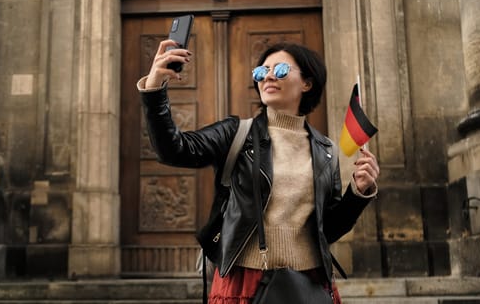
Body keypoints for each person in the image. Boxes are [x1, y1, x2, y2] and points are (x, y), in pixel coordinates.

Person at [137, 40, 380, 304]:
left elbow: (328, 230)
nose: (269, 77)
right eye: (261, 72)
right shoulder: (236, 133)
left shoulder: (326, 150)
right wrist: (154, 89)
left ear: (307, 83)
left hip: (309, 284)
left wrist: (358, 193)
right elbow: (175, 150)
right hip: (246, 282)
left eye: (281, 69)